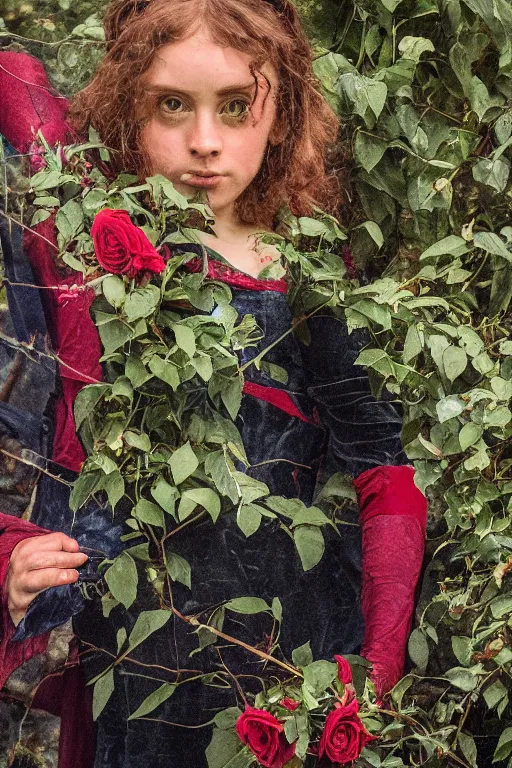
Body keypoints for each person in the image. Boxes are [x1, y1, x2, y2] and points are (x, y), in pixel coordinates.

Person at [0, 1, 427, 766]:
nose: (205, 143)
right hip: (139, 665)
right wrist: (14, 557)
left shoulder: (312, 277)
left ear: (283, 112)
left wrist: (377, 666)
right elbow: (16, 81)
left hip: (290, 659)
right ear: (127, 109)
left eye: (237, 107)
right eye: (172, 105)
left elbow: (385, 469)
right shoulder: (89, 258)